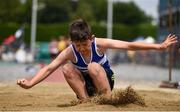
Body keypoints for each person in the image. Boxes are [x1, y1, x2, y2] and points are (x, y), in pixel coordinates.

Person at [17, 19, 178, 100]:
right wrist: (30, 84)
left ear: (91, 38)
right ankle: (85, 102)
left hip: (106, 79)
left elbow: (129, 46)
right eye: (77, 45)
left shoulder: (99, 44)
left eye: (84, 44)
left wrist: (159, 46)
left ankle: (108, 101)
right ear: (72, 42)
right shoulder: (69, 51)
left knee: (93, 66)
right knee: (66, 68)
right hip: (87, 85)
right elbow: (49, 68)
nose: (81, 48)